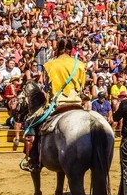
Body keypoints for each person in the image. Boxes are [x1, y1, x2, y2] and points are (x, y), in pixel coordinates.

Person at [24, 38, 86, 171]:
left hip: (58, 103)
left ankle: (33, 160)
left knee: (31, 123)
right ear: (70, 50)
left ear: (57, 49)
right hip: (77, 102)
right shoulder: (80, 64)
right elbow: (82, 86)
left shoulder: (50, 64)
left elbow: (47, 89)